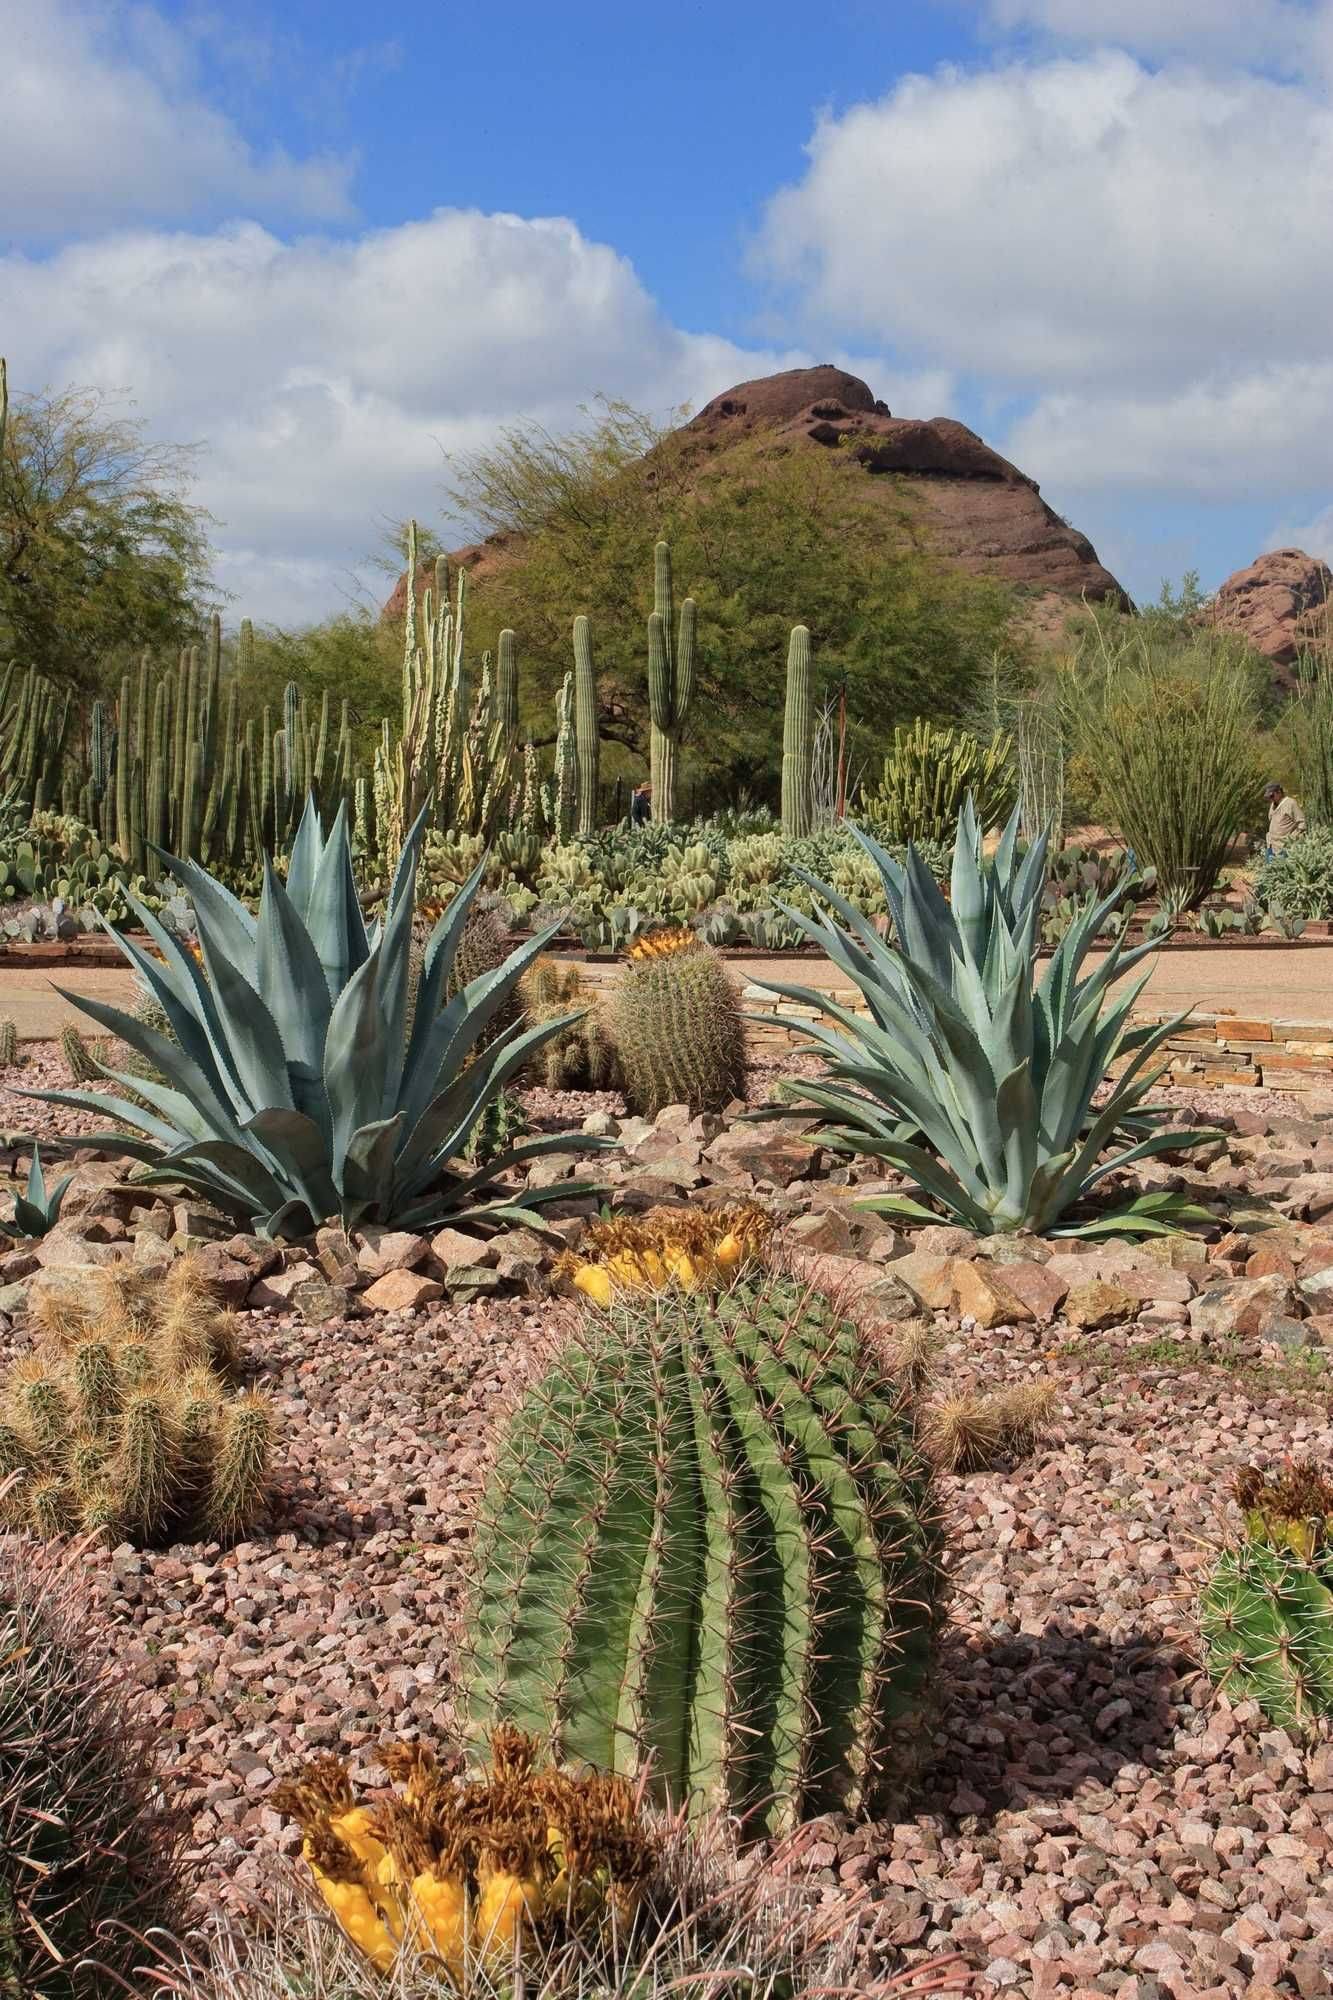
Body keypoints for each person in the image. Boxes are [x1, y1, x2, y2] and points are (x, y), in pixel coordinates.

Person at [1265, 782, 1306, 856]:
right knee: (1270, 867)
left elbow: (1301, 823)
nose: (1271, 799)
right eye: (1269, 797)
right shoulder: (1273, 804)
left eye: (1272, 796)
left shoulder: (1291, 803)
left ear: (1279, 792)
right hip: (1271, 845)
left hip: (1284, 847)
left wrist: (1291, 839)